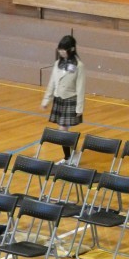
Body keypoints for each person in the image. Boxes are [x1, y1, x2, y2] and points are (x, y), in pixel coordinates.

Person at [41, 35, 86, 164]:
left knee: (62, 131)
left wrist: (79, 108)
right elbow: (52, 83)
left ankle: (69, 157)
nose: (61, 52)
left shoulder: (79, 66)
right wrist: (46, 100)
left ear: (71, 49)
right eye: (59, 49)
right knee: (63, 132)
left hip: (70, 100)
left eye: (63, 49)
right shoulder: (57, 64)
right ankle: (72, 155)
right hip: (59, 100)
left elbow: (81, 88)